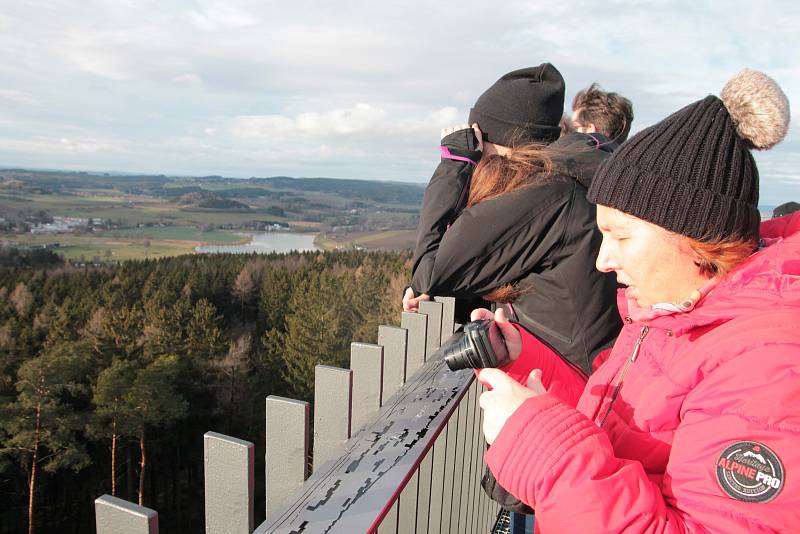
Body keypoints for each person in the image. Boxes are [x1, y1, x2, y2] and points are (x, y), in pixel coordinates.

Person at [475, 69, 797, 532]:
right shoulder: (670, 314)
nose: (604, 261)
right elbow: (623, 428)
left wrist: (540, 446)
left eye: (620, 236)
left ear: (694, 240)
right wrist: (523, 360)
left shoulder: (765, 367)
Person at [405, 64, 621, 377]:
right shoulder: (569, 178)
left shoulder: (547, 193)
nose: (477, 149)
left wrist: (454, 165)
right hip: (583, 366)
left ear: (505, 143)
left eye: (479, 137)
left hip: (565, 379)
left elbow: (429, 270)